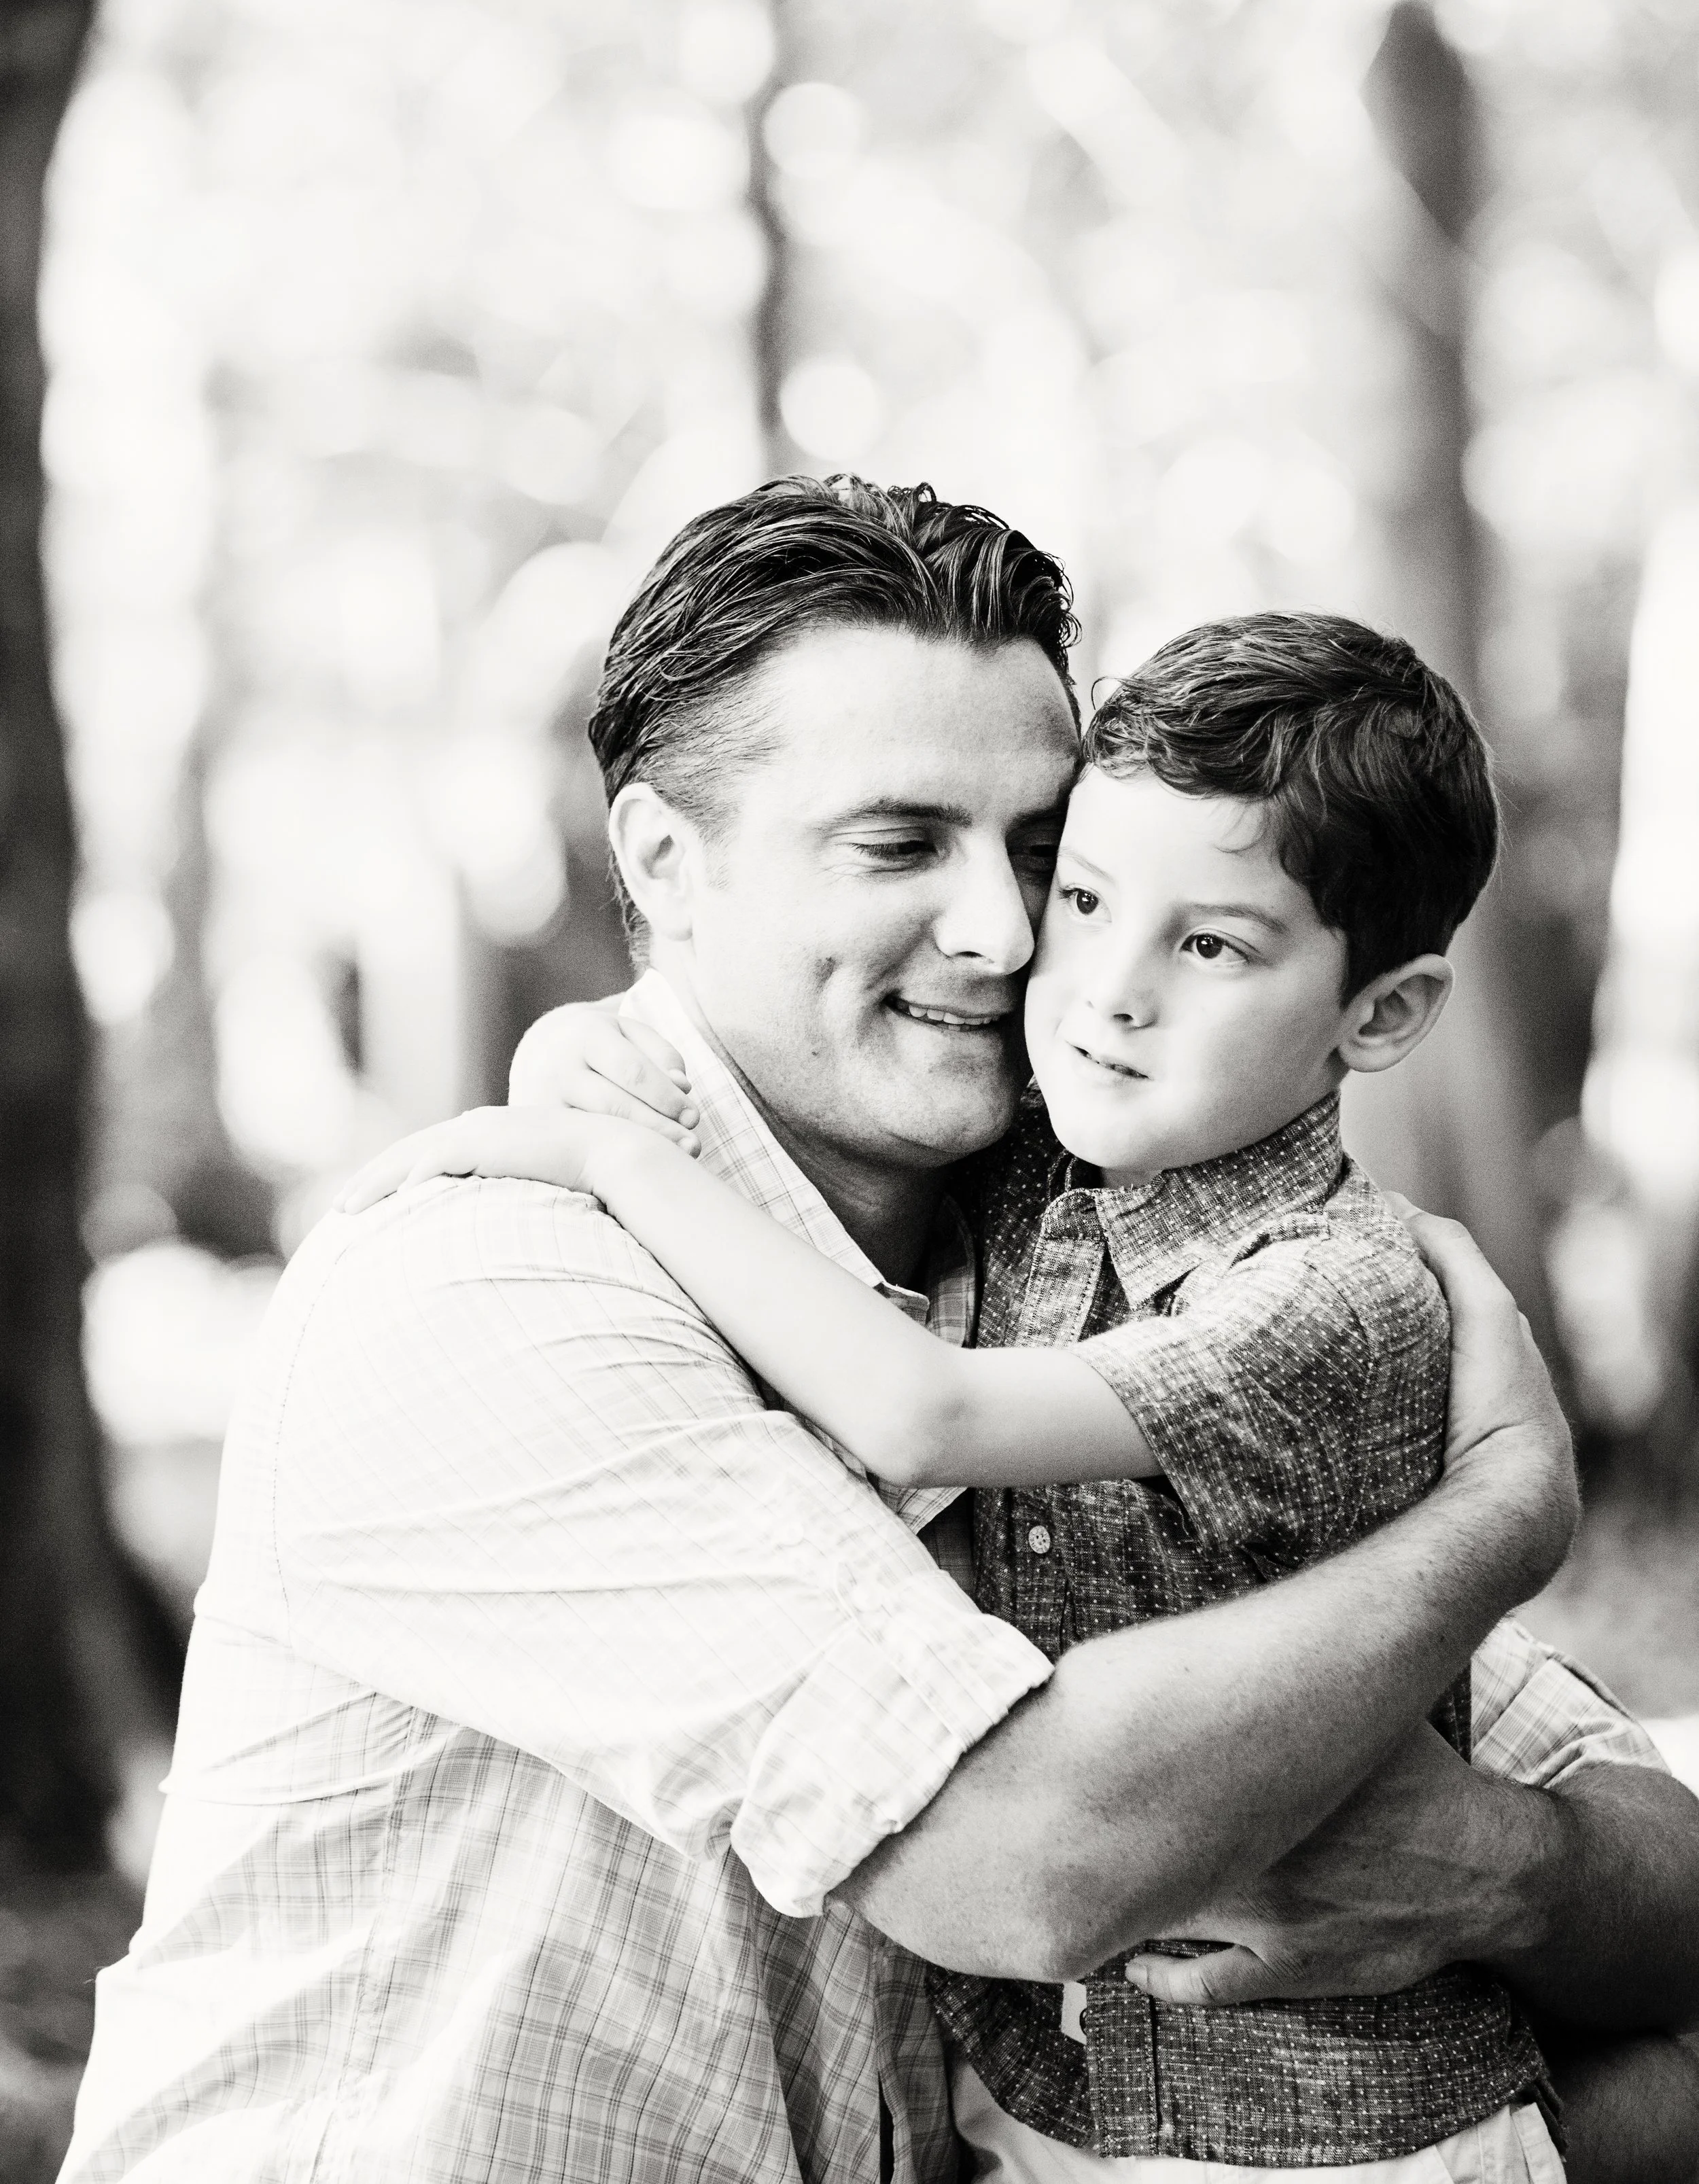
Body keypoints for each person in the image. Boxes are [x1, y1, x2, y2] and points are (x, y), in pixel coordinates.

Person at [62, 479, 1699, 2184]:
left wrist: (1509, 1868)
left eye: (1044, 855)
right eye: (899, 843)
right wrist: (1495, 1521)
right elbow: (1034, 1861)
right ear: (660, 864)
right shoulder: (492, 1290)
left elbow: (1653, 1870)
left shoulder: (1115, 1271)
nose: (1004, 936)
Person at [343, 610, 1558, 2175]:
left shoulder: (1321, 1287)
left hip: (1319, 2139)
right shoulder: (528, 1291)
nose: (1040, 960)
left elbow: (925, 1416)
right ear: (659, 858)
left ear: (1378, 1014)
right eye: (1085, 896)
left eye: (1201, 941)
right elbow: (1022, 1865)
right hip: (1067, 2118)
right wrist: (589, 1060)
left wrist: (1502, 1525)